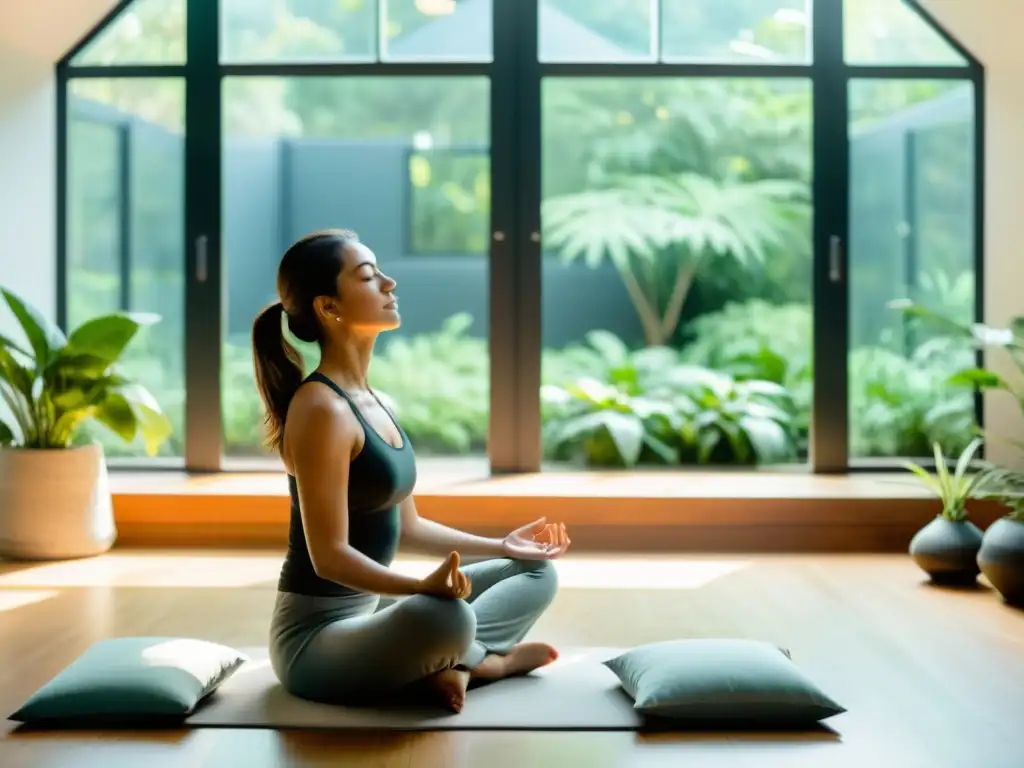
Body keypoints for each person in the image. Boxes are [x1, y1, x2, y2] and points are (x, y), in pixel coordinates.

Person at [251, 229, 571, 713]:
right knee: (446, 617)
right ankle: (488, 665)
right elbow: (329, 558)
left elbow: (411, 527)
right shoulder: (320, 409)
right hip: (316, 642)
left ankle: (454, 667)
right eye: (368, 275)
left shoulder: (375, 401)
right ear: (328, 307)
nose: (389, 282)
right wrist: (420, 588)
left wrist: (503, 546)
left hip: (371, 614)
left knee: (534, 572)